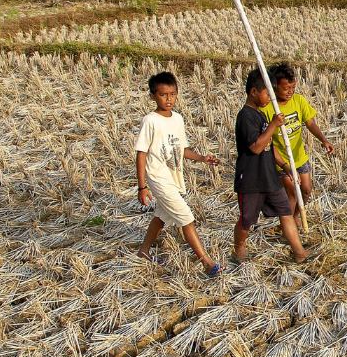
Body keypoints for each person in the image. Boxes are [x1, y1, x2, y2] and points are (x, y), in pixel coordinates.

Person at [135, 71, 222, 276]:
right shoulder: (150, 121)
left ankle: (143, 251)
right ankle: (207, 262)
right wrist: (142, 186)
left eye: (172, 94)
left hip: (174, 178)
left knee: (161, 216)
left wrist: (202, 158)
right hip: (158, 178)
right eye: (163, 95)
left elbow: (182, 149)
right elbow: (141, 154)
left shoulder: (178, 120)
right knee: (187, 218)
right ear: (153, 96)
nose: (169, 99)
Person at [234, 68, 309, 263]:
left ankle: (299, 252)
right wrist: (274, 125)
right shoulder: (246, 117)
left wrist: (285, 167)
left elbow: (270, 147)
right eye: (268, 92)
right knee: (247, 219)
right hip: (251, 179)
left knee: (285, 212)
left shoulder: (262, 115)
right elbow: (257, 147)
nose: (270, 97)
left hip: (270, 177)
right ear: (253, 92)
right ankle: (239, 249)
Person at [263, 63, 335, 223]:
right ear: (274, 87)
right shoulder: (267, 109)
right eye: (286, 88)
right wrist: (284, 165)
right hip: (280, 161)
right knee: (293, 193)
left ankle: (294, 216)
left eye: (293, 87)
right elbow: (267, 142)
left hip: (299, 157)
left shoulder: (298, 101)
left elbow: (310, 123)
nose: (290, 91)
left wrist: (324, 140)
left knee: (306, 190)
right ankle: (290, 228)